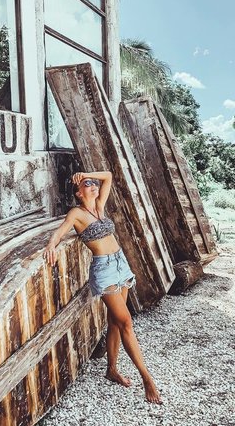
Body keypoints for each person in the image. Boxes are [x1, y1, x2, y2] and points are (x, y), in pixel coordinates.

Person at [43, 171, 162, 404]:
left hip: (120, 263)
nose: (94, 185)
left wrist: (86, 174)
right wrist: (51, 245)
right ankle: (147, 379)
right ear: (79, 193)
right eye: (87, 184)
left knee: (115, 322)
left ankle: (112, 370)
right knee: (126, 322)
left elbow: (108, 175)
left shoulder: (99, 206)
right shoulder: (77, 213)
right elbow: (60, 231)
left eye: (93, 183)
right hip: (104, 270)